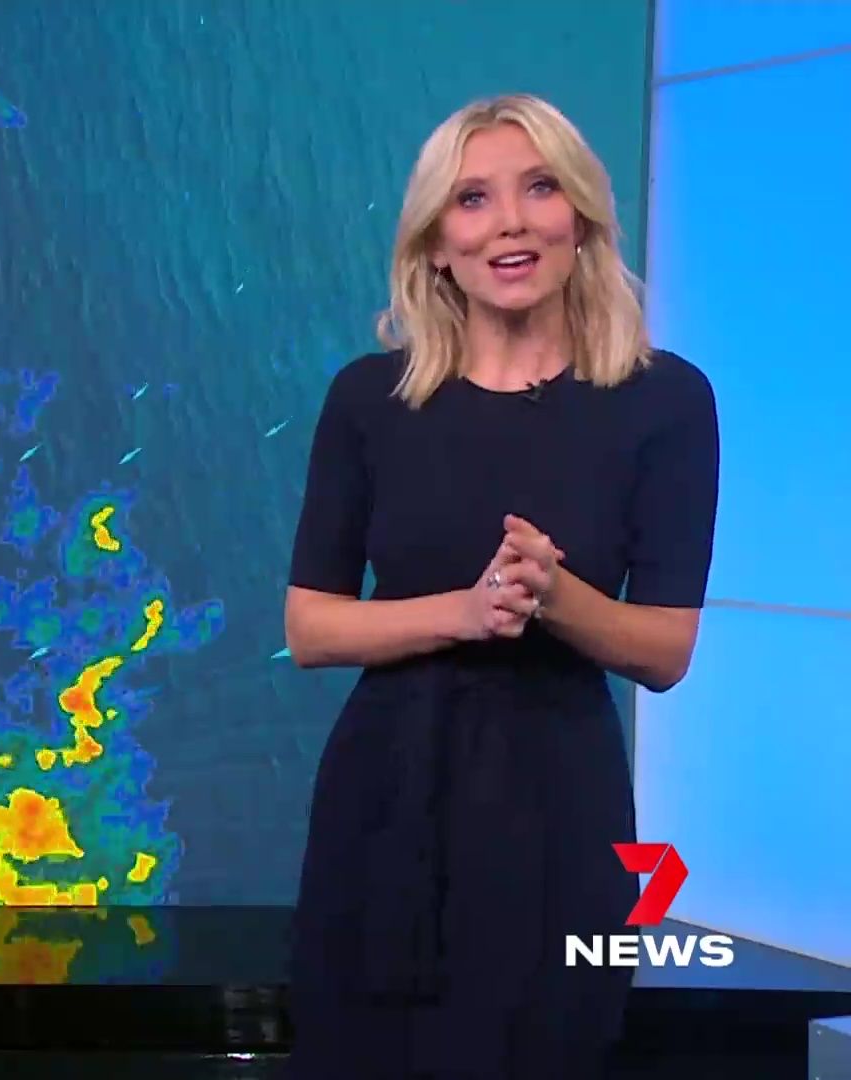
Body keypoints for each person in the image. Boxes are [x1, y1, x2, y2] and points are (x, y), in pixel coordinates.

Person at [282, 93, 719, 1078]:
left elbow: (666, 651)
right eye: (473, 199)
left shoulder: (666, 400)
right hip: (385, 801)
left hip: (559, 809)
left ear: (583, 219)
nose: (510, 223)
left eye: (540, 189)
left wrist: (557, 597)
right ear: (437, 243)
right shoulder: (370, 399)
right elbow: (310, 627)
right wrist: (469, 611)